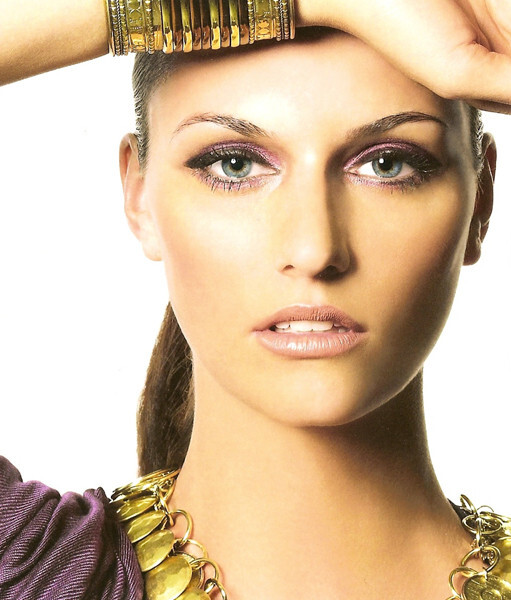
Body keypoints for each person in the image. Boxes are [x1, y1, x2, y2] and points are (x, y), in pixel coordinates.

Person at [1, 1, 511, 599]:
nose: (314, 249)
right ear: (139, 196)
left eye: (387, 163)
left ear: (480, 200)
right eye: (235, 164)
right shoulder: (35, 574)